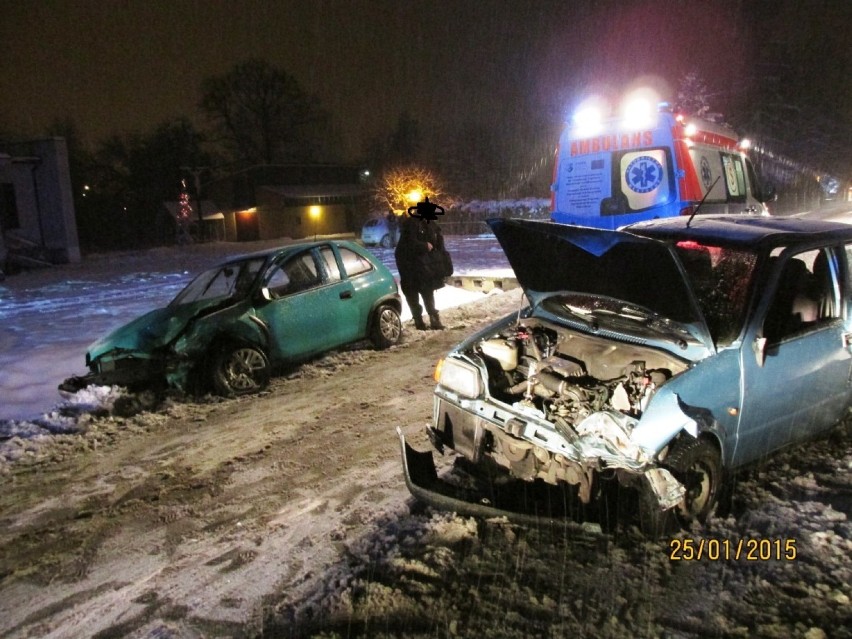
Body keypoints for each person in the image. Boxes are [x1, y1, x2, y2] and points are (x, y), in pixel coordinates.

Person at [394, 213, 449, 330]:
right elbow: (408, 245)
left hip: (421, 266)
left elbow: (438, 243)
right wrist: (425, 246)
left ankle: (428, 319)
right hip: (412, 267)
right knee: (417, 293)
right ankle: (422, 321)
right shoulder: (414, 225)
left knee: (425, 292)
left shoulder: (426, 224)